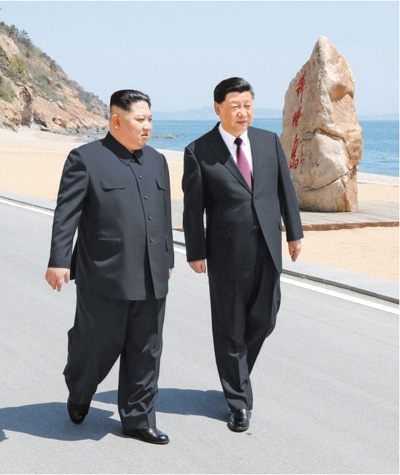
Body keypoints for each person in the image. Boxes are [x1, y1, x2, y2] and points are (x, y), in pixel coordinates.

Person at [45, 89, 174, 445]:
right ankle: (80, 388)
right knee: (96, 344)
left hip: (152, 274)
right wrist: (59, 260)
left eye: (150, 119)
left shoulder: (157, 160)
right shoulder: (85, 159)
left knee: (147, 349)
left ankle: (138, 419)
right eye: (140, 119)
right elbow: (66, 214)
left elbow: (163, 214)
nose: (147, 126)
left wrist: (167, 258)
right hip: (104, 275)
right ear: (116, 121)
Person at [182, 77, 303, 432]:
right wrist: (195, 251)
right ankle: (238, 402)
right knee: (230, 326)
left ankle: (236, 374)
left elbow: (285, 190)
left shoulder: (268, 141)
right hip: (225, 252)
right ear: (218, 108)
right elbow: (193, 209)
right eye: (235, 106)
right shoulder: (198, 151)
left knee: (265, 318)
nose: (242, 112)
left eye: (247, 105)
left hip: (268, 245)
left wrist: (295, 233)